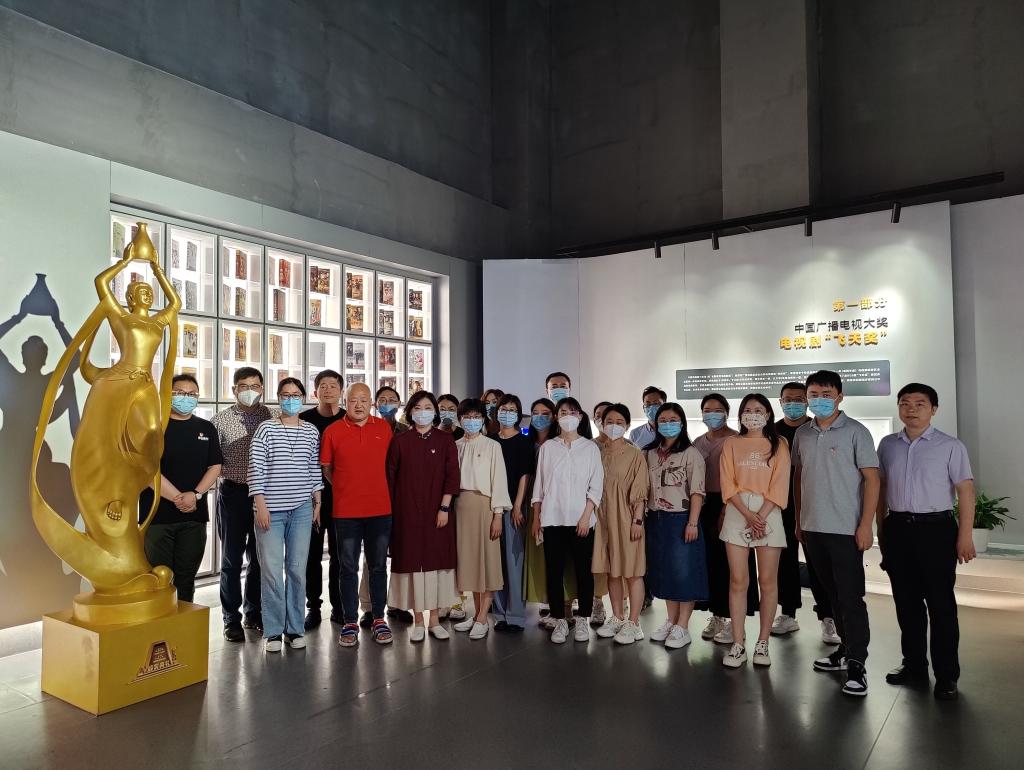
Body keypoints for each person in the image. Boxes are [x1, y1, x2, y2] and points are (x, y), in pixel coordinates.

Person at [877, 383, 975, 701]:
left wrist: (965, 536)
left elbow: (966, 492)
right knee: (907, 604)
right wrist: (881, 530)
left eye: (920, 403)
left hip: (936, 530)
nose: (911, 409)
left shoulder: (950, 446)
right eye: (905, 403)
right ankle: (914, 666)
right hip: (898, 529)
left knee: (941, 605)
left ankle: (946, 675)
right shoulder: (888, 445)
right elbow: (880, 489)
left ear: (933, 409)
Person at [794, 370, 880, 697]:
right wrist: (799, 520)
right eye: (813, 394)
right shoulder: (803, 433)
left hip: (845, 529)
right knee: (830, 595)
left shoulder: (856, 431)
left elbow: (872, 480)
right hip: (812, 528)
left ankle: (857, 663)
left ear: (840, 396)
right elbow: (799, 477)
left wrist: (866, 525)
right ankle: (845, 650)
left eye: (826, 394)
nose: (819, 400)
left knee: (850, 597)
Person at [248, 378, 323, 652]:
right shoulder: (266, 428)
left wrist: (317, 501)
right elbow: (256, 467)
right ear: (278, 398)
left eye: (295, 394)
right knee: (271, 571)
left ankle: (295, 628)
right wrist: (260, 504)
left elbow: (313, 468)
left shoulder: (311, 431)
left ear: (303, 397)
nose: (291, 399)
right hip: (270, 509)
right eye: (285, 395)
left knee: (296, 570)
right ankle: (273, 632)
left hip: (302, 509)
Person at [718, 394, 791, 668]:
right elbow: (727, 482)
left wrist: (760, 515)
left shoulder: (779, 443)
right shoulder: (731, 443)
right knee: (738, 581)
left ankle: (763, 642)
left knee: (768, 581)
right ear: (740, 415)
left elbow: (780, 483)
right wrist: (748, 515)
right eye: (747, 410)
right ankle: (738, 643)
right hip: (738, 512)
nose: (753, 414)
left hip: (769, 512)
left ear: (768, 414)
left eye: (759, 410)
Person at [321, 382, 395, 648]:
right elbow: (327, 469)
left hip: (380, 510)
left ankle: (378, 618)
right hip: (346, 512)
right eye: (354, 400)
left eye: (364, 400)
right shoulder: (333, 431)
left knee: (378, 567)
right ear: (346, 401)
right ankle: (350, 621)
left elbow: (391, 466)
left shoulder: (384, 428)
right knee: (348, 568)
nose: (359, 405)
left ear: (371, 402)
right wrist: (346, 487)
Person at [139, 373, 223, 603]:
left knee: (186, 579)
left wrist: (195, 495)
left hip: (194, 517)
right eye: (180, 393)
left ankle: (184, 621)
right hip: (157, 516)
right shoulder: (152, 428)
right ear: (167, 394)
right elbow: (147, 470)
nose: (186, 398)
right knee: (158, 578)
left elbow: (215, 466)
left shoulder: (206, 428)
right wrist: (179, 498)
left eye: (192, 394)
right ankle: (159, 624)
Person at [386, 391, 461, 642]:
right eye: (417, 407)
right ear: (410, 412)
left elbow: (452, 476)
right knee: (413, 567)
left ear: (435, 412)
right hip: (406, 513)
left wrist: (444, 508)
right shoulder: (400, 441)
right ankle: (418, 620)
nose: (422, 412)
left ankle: (435, 620)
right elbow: (391, 478)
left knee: (436, 565)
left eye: (428, 407)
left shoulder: (445, 440)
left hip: (438, 513)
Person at [771, 382, 840, 643]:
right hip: (779, 506)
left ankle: (828, 617)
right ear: (780, 402)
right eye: (788, 399)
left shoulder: (816, 429)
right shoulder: (771, 432)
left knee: (819, 563)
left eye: (799, 399)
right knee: (784, 562)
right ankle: (788, 613)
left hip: (813, 505)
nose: (793, 404)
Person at [532, 396, 604, 644]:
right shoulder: (548, 448)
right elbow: (539, 486)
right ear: (556, 417)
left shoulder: (590, 448)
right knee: (554, 572)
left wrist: (586, 516)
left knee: (584, 571)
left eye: (572, 412)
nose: (568, 416)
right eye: (563, 412)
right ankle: (559, 619)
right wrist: (537, 517)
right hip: (552, 519)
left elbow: (596, 486)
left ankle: (583, 618)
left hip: (581, 521)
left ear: (580, 417)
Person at [212, 366, 272, 641]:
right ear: (234, 389)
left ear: (262, 389)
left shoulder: (272, 417)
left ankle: (253, 612)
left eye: (255, 386)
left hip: (265, 496)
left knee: (259, 558)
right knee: (231, 559)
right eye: (244, 386)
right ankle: (231, 618)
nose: (250, 391)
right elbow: (212, 462)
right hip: (234, 493)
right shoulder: (220, 421)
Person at [693, 393, 759, 644]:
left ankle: (735, 621)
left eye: (718, 410)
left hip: (733, 504)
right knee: (711, 562)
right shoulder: (698, 442)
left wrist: (725, 509)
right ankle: (717, 614)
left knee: (734, 566)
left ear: (727, 413)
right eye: (707, 410)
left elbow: (741, 479)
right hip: (704, 505)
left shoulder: (737, 440)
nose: (712, 414)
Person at [644, 403, 708, 649]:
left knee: (684, 571)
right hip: (656, 519)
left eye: (673, 420)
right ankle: (671, 620)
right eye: (663, 420)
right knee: (665, 571)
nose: (667, 424)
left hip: (682, 519)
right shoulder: (649, 453)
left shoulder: (691, 454)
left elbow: (697, 492)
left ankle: (683, 626)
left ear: (682, 423)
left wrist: (692, 522)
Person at [453, 399, 511, 639]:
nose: (472, 420)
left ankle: (483, 618)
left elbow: (499, 480)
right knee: (470, 563)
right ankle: (476, 614)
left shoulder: (492, 446)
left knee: (487, 563)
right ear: (460, 419)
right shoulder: (455, 445)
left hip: (484, 506)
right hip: (460, 507)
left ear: (483, 419)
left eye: (476, 416)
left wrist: (498, 514)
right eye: (467, 416)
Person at [592, 403, 650, 645]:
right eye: (609, 421)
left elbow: (640, 490)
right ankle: (617, 616)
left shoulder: (634, 454)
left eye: (619, 422)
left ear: (627, 425)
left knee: (632, 572)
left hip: (627, 519)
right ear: (601, 423)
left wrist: (637, 520)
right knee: (612, 570)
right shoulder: (596, 451)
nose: (614, 426)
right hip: (602, 520)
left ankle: (634, 623)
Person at [359, 384, 412, 624]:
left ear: (399, 405)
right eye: (382, 399)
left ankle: (398, 604)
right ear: (375, 404)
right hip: (373, 498)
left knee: (401, 554)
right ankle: (370, 607)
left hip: (401, 499)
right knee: (373, 557)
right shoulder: (367, 427)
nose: (387, 403)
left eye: (392, 399)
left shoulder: (407, 432)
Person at [523, 397, 577, 628]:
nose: (540, 417)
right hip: (535, 504)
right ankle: (553, 606)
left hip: (562, 508)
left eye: (545, 413)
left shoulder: (564, 442)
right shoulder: (528, 442)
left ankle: (567, 608)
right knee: (545, 559)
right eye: (535, 413)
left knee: (565, 559)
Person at [300, 370, 346, 630]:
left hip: (342, 497)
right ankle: (313, 606)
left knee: (340, 555)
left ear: (341, 391)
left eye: (333, 386)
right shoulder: (304, 419)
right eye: (323, 386)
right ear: (315, 391)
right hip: (310, 498)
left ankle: (339, 606)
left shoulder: (348, 419)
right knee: (312, 555)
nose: (328, 390)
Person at [490, 394, 535, 633]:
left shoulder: (524, 442)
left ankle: (515, 614)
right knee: (496, 562)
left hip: (512, 508)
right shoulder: (490, 440)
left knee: (514, 561)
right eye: (503, 409)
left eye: (512, 409)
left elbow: (524, 476)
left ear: (518, 414)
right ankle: (499, 614)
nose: (507, 413)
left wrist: (517, 506)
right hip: (492, 508)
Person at [437, 392, 468, 621]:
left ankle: (458, 599)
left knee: (458, 551)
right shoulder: (431, 433)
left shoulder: (463, 435)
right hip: (435, 499)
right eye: (442, 408)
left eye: (451, 409)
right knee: (441, 552)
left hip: (458, 499)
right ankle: (442, 599)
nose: (446, 412)